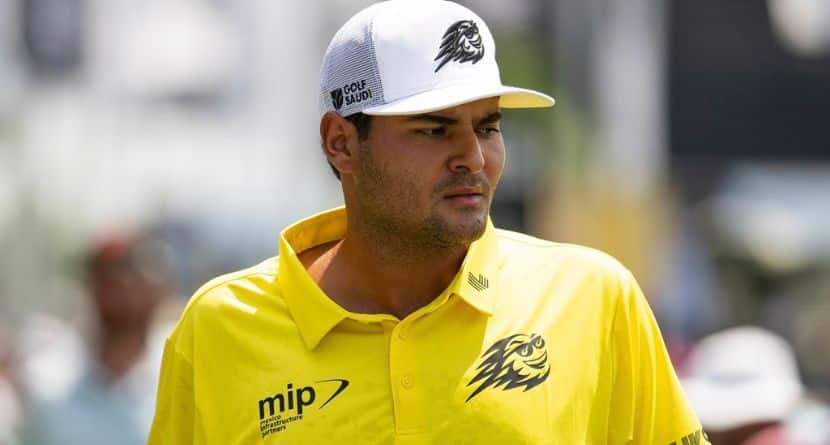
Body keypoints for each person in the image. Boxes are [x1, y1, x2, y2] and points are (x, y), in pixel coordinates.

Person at [148, 1, 707, 443]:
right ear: (341, 143)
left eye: (487, 127)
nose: (474, 156)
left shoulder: (593, 298)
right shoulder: (220, 327)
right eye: (434, 129)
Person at [22, 232, 169, 445]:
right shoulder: (47, 384)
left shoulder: (183, 378)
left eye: (131, 273)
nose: (121, 288)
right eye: (107, 276)